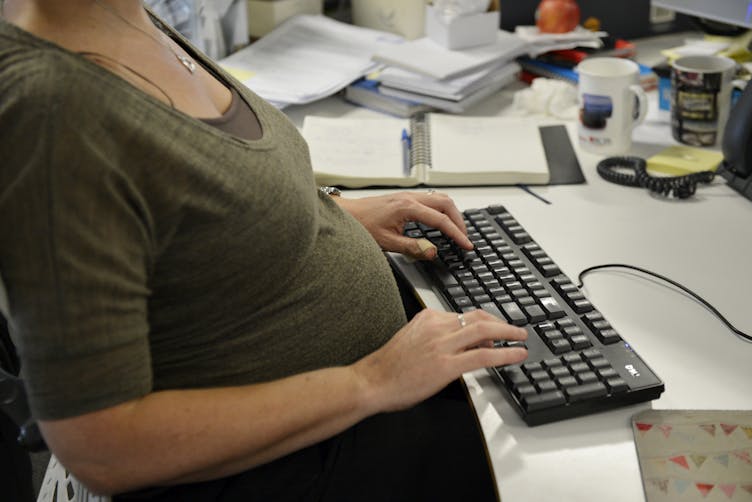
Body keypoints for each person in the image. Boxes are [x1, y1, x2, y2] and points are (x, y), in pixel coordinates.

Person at [0, 1, 528, 500]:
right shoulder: (52, 113)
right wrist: (372, 382)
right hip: (294, 465)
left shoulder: (124, 16)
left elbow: (178, 207)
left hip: (355, 410)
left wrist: (315, 212)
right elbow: (101, 447)